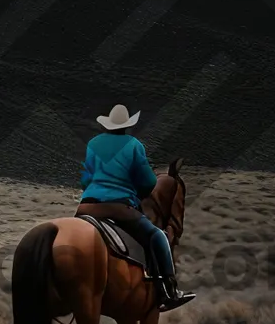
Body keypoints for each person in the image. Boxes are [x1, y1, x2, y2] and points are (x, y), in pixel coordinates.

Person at [75, 103, 194, 312]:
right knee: (158, 236)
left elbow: (85, 179)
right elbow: (148, 182)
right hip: (118, 208)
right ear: (126, 126)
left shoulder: (93, 144)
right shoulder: (133, 145)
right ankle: (170, 291)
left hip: (86, 209)